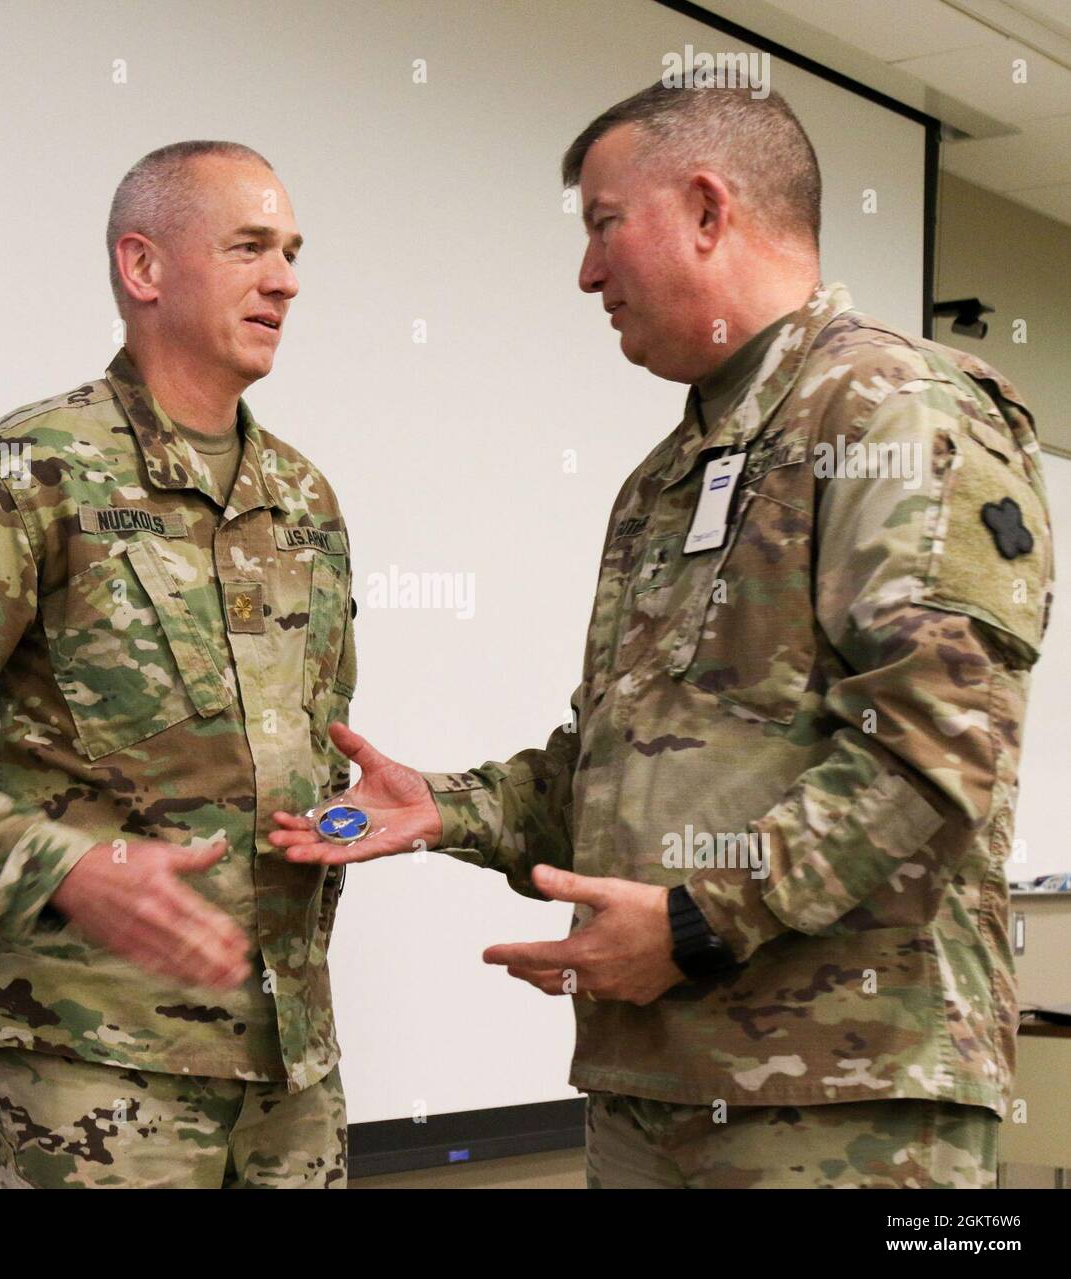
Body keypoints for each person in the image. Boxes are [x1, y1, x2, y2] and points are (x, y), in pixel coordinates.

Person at [272, 82, 1054, 1189]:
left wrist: (696, 922)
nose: (587, 272)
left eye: (601, 224)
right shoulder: (669, 476)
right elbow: (632, 761)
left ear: (705, 208)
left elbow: (934, 748)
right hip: (656, 1087)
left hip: (844, 1102)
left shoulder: (895, 409)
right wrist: (451, 807)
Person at [0, 140, 357, 1189]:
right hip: (91, 1071)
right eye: (249, 248)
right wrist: (63, 869)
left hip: (291, 1071)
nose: (286, 279)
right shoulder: (16, 474)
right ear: (143, 269)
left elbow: (298, 748)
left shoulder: (305, 498)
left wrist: (352, 816)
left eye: (290, 251)